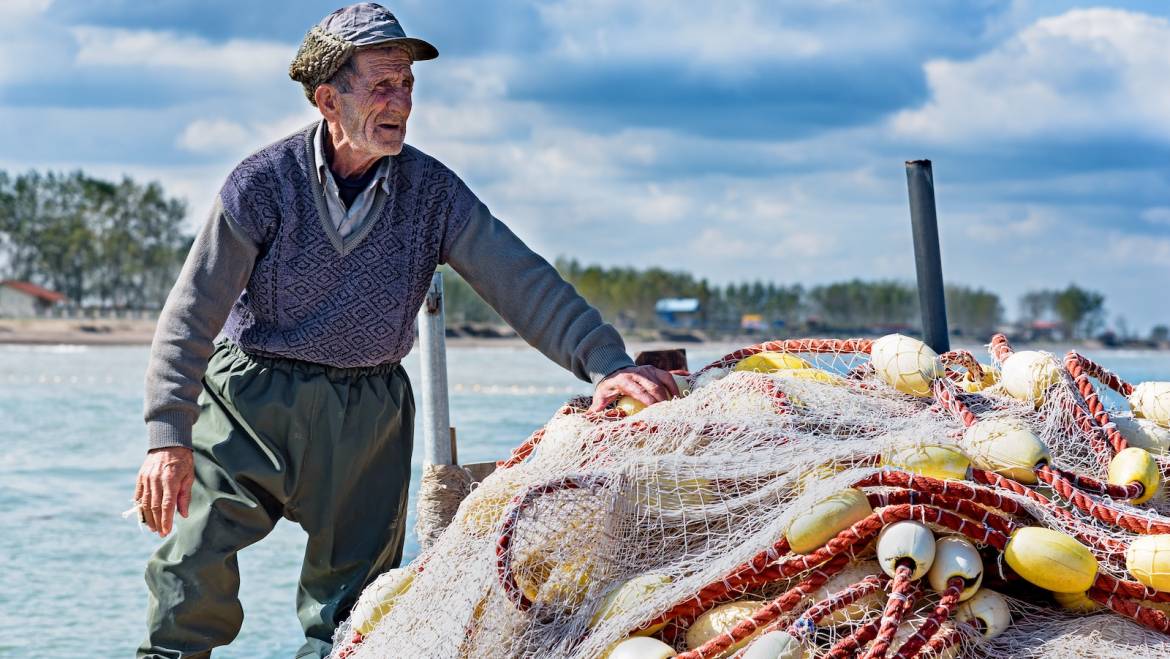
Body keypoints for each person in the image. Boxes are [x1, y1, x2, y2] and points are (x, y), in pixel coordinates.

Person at [132, 4, 679, 657]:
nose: (402, 102)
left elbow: (519, 279)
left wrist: (604, 361)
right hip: (251, 400)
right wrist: (166, 436)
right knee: (190, 568)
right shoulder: (261, 184)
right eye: (382, 86)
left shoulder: (433, 193)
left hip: (368, 416)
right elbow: (191, 312)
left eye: (409, 85)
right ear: (328, 98)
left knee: (351, 612)